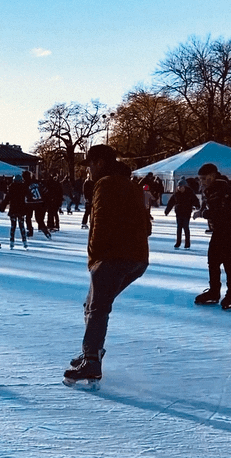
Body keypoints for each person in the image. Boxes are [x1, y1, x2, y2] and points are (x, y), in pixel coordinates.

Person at [63, 144, 150, 388]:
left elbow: (99, 225)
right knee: (93, 304)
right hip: (138, 259)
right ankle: (92, 351)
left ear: (100, 162)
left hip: (113, 257)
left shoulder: (104, 184)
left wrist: (95, 259)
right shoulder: (132, 185)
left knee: (97, 307)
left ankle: (91, 360)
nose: (88, 170)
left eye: (90, 164)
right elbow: (148, 226)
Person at [193, 163, 231, 310]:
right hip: (220, 230)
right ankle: (214, 292)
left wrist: (204, 214)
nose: (202, 182)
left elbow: (223, 213)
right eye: (200, 179)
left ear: (213, 175)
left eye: (204, 178)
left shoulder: (222, 189)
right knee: (213, 260)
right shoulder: (212, 189)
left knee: (228, 262)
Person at [164, 178, 200, 249]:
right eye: (179, 187)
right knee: (179, 228)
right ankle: (178, 242)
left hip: (187, 212)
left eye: (181, 187)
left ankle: (187, 243)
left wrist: (197, 206)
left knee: (186, 227)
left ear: (184, 186)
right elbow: (171, 203)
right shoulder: (176, 194)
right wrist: (167, 211)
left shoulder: (190, 193)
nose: (180, 188)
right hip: (179, 212)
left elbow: (195, 200)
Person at [0, 174, 28, 250]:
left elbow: (7, 198)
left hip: (13, 210)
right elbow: (28, 198)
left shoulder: (11, 188)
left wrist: (2, 207)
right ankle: (24, 241)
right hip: (21, 210)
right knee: (22, 226)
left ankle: (12, 242)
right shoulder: (23, 188)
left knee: (13, 226)